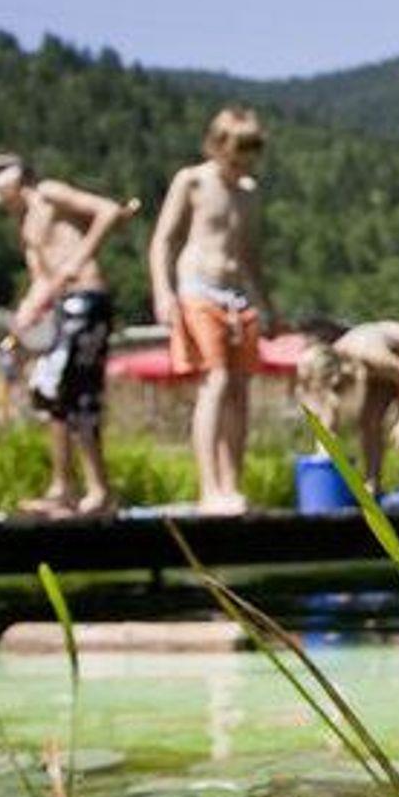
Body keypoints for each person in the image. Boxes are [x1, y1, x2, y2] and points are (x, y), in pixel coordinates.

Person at [0, 152, 138, 516]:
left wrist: (77, 260)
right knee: (53, 392)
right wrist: (24, 315)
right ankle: (63, 488)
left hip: (87, 298)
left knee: (73, 390)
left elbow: (107, 211)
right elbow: (42, 280)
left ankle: (97, 490)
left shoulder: (48, 193)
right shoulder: (25, 225)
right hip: (63, 304)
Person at [148, 106, 279, 513]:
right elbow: (163, 241)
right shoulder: (192, 181)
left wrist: (268, 306)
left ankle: (231, 486)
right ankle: (210, 488)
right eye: (237, 155)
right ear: (218, 145)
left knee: (240, 389)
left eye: (250, 155)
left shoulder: (250, 192)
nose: (243, 164)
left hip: (238, 296)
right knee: (216, 380)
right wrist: (163, 292)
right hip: (198, 289)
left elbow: (251, 256)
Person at [293, 320, 399, 491]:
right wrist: (324, 449)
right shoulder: (334, 359)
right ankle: (373, 484)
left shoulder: (372, 356)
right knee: (368, 422)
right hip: (381, 363)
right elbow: (329, 410)